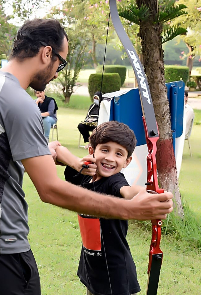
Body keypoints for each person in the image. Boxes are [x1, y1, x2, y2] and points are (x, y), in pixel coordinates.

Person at [0, 19, 173, 295]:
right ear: (46, 53)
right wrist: (133, 210)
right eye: (61, 63)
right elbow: (50, 190)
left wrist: (68, 160)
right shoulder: (17, 101)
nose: (57, 72)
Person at [56, 121, 143, 295]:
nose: (110, 158)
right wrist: (77, 164)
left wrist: (148, 193)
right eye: (105, 150)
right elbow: (57, 149)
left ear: (127, 162)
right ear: (91, 150)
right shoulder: (83, 175)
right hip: (92, 265)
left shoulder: (114, 181)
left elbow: (128, 192)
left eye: (119, 154)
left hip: (114, 270)